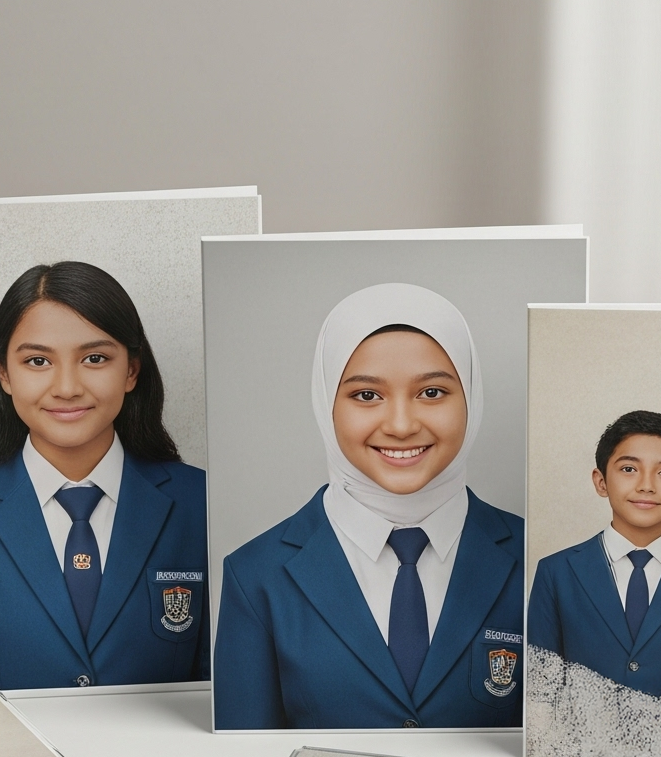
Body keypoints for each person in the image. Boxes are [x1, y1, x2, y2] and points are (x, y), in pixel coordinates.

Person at [211, 283, 523, 729]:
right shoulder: (256, 575)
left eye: (432, 393)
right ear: (326, 404)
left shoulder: (539, 561)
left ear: (470, 396)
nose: (400, 425)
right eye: (366, 395)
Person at [0, 262, 208, 692]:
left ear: (132, 370)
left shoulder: (205, 504)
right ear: (4, 373)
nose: (66, 387)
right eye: (38, 361)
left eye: (95, 358)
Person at [526, 410, 661, 698]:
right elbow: (540, 690)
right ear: (601, 481)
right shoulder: (557, 572)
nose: (646, 485)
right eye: (629, 469)